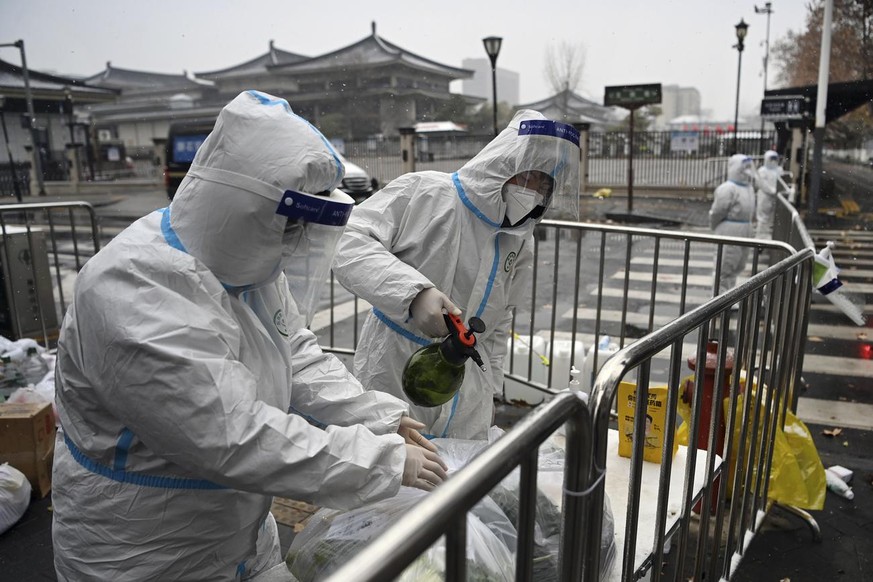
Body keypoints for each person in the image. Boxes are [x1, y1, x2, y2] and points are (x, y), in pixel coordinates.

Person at [51, 90, 447, 582]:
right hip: (143, 548)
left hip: (236, 531)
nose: (296, 240)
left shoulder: (244, 262)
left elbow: (295, 353)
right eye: (291, 225)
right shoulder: (131, 292)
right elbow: (230, 435)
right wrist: (381, 461)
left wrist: (377, 417)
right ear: (241, 209)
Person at [332, 110, 581, 440]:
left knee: (459, 481)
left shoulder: (520, 240)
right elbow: (347, 241)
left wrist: (491, 388)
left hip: (467, 386)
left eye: (544, 183)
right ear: (503, 162)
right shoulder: (425, 193)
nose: (533, 189)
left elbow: (501, 319)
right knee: (390, 470)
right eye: (528, 175)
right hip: (394, 366)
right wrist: (413, 295)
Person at [709, 153, 757, 295]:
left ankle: (728, 296)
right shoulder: (727, 188)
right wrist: (715, 225)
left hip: (745, 230)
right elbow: (717, 211)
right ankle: (719, 298)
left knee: (737, 265)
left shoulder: (748, 188)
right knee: (725, 265)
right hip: (730, 230)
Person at [755, 150, 782, 239]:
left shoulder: (779, 170)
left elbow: (782, 182)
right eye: (771, 159)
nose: (773, 161)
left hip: (775, 197)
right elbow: (762, 184)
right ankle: (760, 239)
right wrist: (773, 191)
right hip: (765, 197)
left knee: (772, 218)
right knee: (763, 218)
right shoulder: (762, 171)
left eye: (775, 159)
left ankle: (768, 237)